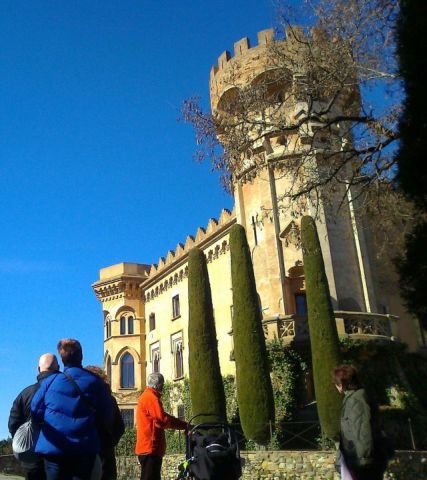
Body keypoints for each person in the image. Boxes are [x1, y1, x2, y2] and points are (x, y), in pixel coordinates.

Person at [31, 339, 113, 480]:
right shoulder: (96, 383)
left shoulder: (50, 382)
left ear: (62, 359)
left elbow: (35, 410)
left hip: (54, 447)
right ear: (81, 356)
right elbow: (106, 414)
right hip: (84, 447)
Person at [8, 353, 60, 480]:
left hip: (32, 457)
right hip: (58, 456)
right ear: (58, 368)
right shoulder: (65, 392)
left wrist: (26, 442)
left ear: (38, 369)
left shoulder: (25, 394)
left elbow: (13, 423)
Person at [332, 364, 388, 480]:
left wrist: (364, 461)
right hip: (357, 460)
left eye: (336, 384)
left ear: (342, 384)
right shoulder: (356, 397)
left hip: (361, 463)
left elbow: (362, 431)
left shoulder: (356, 400)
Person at [136, 373, 187, 480]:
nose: (163, 386)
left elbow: (161, 418)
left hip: (148, 447)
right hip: (151, 448)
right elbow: (162, 419)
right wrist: (184, 425)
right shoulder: (151, 398)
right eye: (162, 383)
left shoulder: (147, 396)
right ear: (158, 384)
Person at [85, 365, 125, 480]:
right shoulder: (110, 399)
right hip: (107, 454)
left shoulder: (84, 399)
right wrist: (110, 442)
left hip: (88, 454)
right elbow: (120, 427)